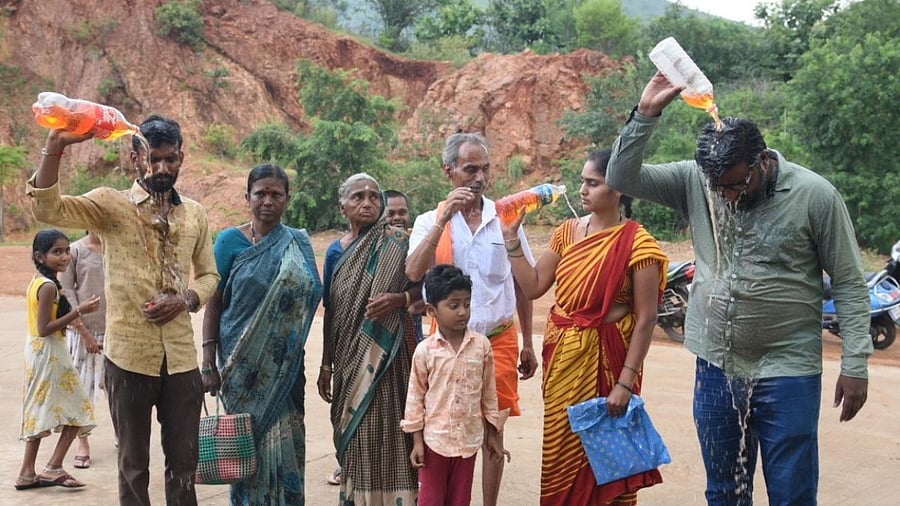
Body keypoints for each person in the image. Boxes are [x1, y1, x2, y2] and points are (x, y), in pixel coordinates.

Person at [605, 72, 872, 506]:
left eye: (735, 184)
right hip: (716, 364)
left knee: (792, 493)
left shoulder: (814, 195)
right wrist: (646, 114)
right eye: (718, 187)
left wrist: (856, 360)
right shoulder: (700, 179)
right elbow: (621, 175)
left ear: (762, 160)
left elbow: (848, 280)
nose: (726, 196)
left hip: (788, 368)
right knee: (724, 491)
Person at [28, 115, 220, 505]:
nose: (162, 169)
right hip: (128, 357)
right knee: (133, 465)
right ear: (135, 158)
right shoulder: (109, 205)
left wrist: (184, 300)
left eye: (171, 159)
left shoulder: (195, 214)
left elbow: (209, 276)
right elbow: (47, 209)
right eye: (154, 159)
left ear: (182, 157)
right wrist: (56, 146)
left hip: (182, 361)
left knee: (184, 464)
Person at [501, 149, 668, 505]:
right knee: (562, 447)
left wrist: (625, 382)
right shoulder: (566, 232)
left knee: (609, 458)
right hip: (563, 360)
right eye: (582, 181)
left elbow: (646, 318)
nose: (582, 190)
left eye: (593, 183)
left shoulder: (640, 245)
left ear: (619, 188)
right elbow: (532, 286)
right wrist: (511, 240)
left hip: (608, 362)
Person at [406, 132, 539, 506]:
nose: (479, 178)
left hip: (498, 340)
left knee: (494, 435)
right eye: (469, 170)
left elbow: (522, 282)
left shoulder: (506, 218)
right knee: (447, 430)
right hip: (445, 348)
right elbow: (414, 272)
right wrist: (443, 218)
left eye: (484, 169)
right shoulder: (429, 220)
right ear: (448, 171)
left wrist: (528, 342)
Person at [201, 163, 322, 504]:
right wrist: (209, 362)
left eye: (276, 194)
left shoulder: (297, 241)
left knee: (287, 443)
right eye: (261, 193)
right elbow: (215, 301)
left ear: (287, 199)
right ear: (247, 197)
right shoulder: (229, 242)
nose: (268, 201)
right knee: (244, 447)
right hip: (241, 366)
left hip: (286, 367)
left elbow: (312, 292)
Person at [316, 173, 421, 505]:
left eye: (374, 197)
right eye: (358, 196)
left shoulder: (399, 242)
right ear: (343, 206)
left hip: (388, 357)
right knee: (355, 431)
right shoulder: (335, 252)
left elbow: (425, 288)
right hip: (348, 358)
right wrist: (326, 363)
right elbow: (331, 310)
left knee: (389, 430)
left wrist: (398, 300)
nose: (367, 202)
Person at [401, 264, 509, 506]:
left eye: (467, 304)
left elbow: (489, 396)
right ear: (432, 310)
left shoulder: (481, 346)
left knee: (460, 501)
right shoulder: (425, 351)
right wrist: (417, 442)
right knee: (431, 501)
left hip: (467, 444)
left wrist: (492, 435)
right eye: (454, 305)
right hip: (433, 445)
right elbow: (415, 397)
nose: (462, 312)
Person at [15, 229, 100, 491]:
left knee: (40, 409)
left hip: (40, 351)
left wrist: (83, 329)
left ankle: (28, 473)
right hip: (49, 352)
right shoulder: (49, 286)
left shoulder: (41, 281)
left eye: (66, 251)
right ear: (39, 256)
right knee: (79, 409)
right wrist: (80, 310)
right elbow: (45, 327)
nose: (64, 257)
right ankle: (52, 468)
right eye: (57, 252)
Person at [60, 229, 106, 470]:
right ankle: (83, 444)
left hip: (115, 331)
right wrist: (83, 332)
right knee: (82, 391)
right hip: (83, 332)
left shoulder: (116, 248)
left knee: (121, 389)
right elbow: (67, 291)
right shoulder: (76, 250)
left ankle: (124, 438)